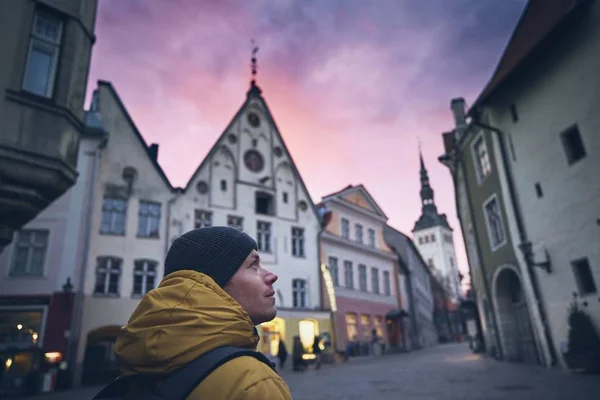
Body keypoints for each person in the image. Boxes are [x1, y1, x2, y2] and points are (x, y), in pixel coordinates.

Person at [111, 226, 292, 399]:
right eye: (254, 264)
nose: (272, 276)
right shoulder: (253, 384)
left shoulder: (137, 363)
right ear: (213, 283)